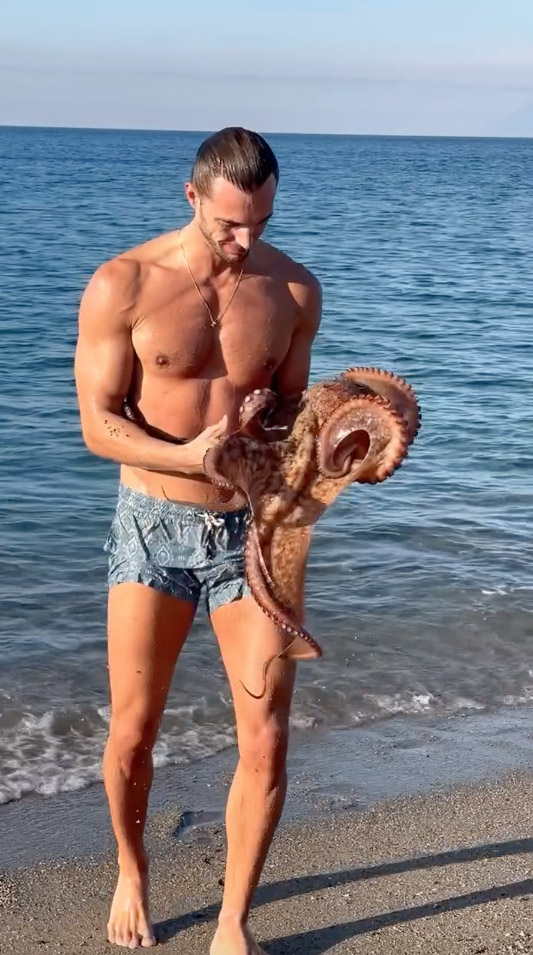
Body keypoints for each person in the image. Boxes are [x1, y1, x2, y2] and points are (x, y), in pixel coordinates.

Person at [74, 126, 321, 953]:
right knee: (134, 731)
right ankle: (132, 868)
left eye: (259, 222)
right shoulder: (123, 284)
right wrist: (180, 454)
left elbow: (290, 408)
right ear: (191, 198)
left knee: (267, 736)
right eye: (228, 226)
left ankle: (231, 919)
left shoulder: (291, 290)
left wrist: (323, 436)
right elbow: (99, 427)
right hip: (150, 525)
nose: (245, 241)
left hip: (253, 532)